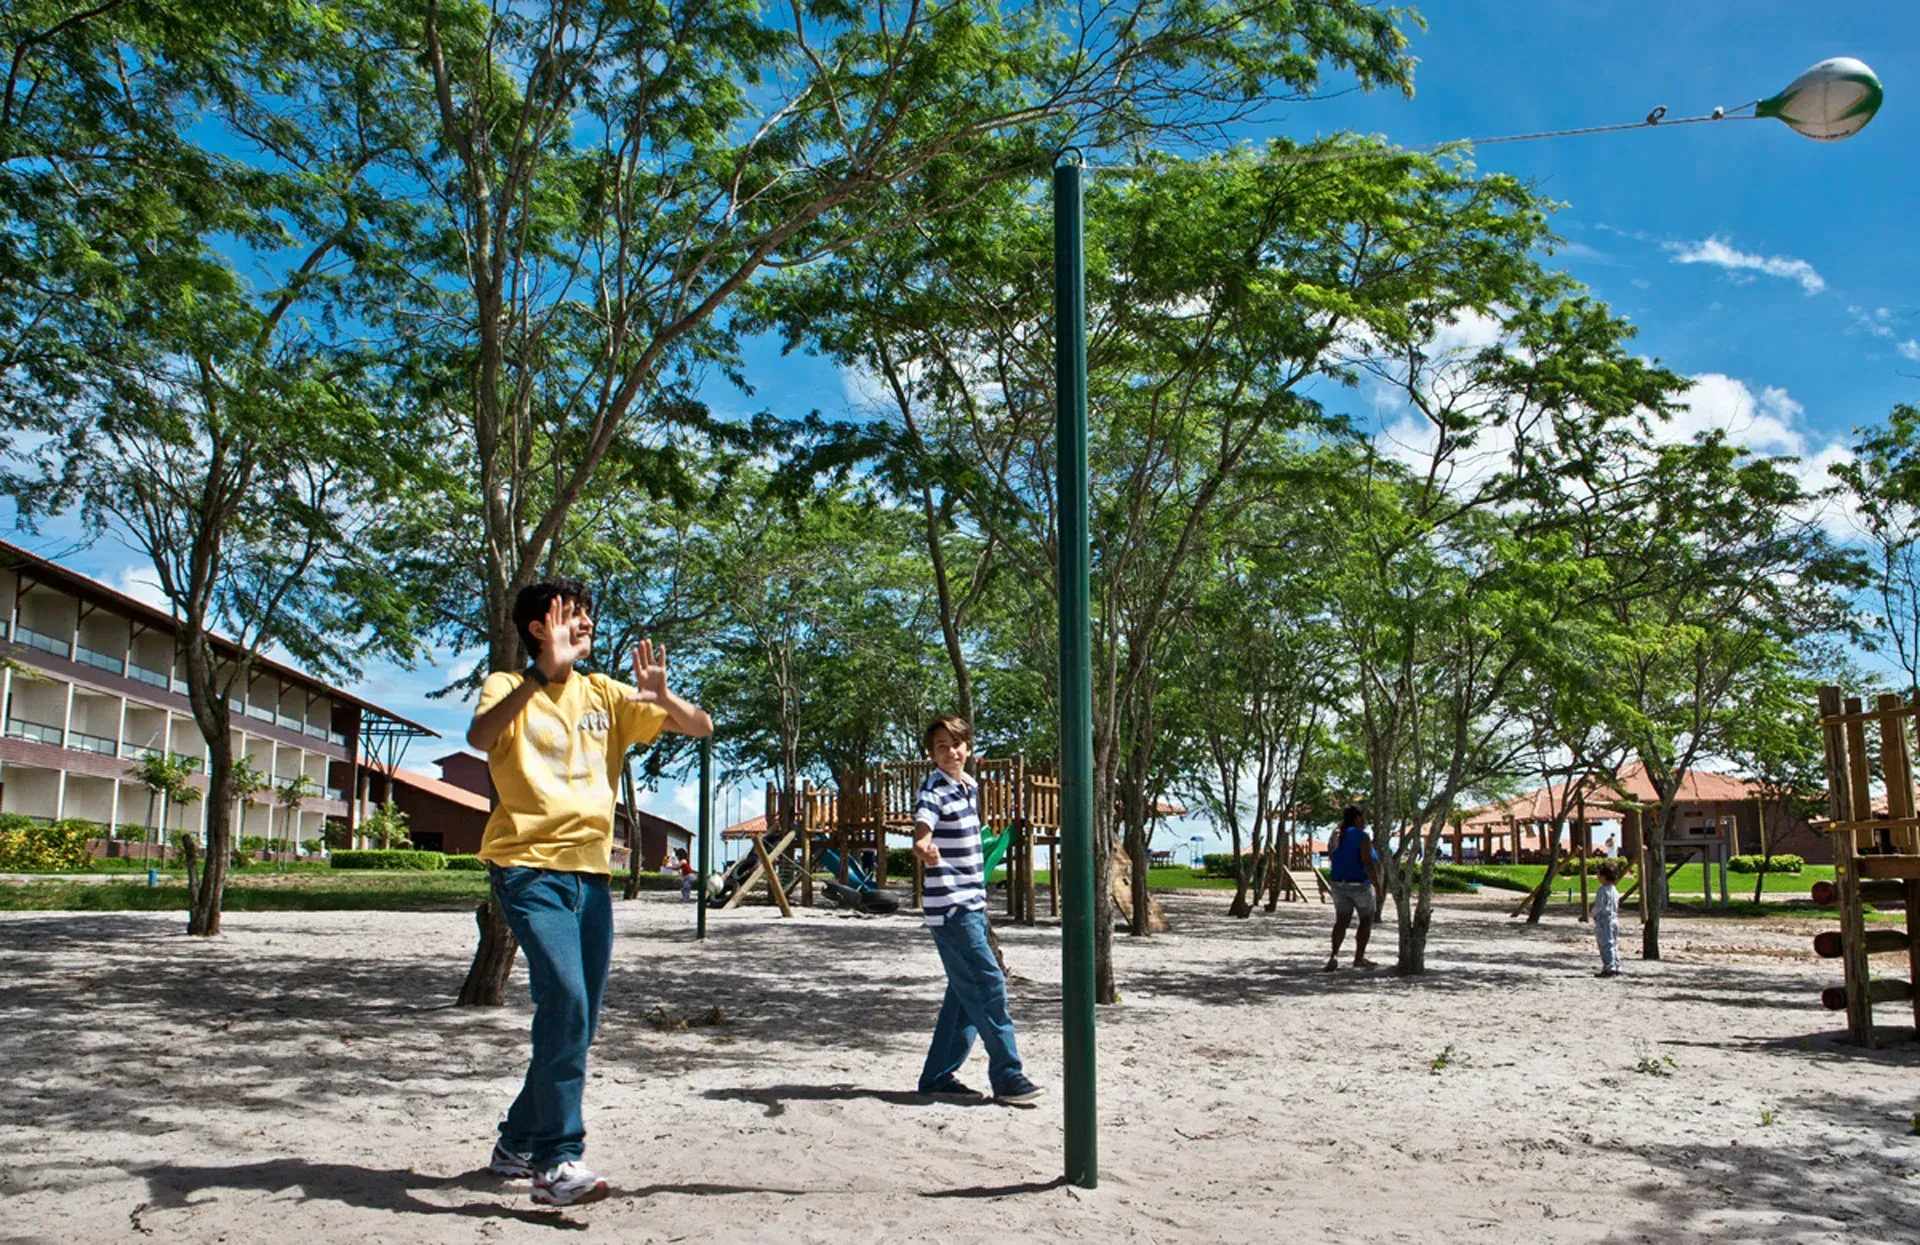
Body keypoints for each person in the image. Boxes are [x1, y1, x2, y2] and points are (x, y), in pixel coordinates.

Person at [467, 580, 712, 1207]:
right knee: (568, 1004)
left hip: (591, 875)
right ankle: (556, 1160)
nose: (586, 625)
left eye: (588, 617)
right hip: (525, 866)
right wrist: (540, 673)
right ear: (536, 627)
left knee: (577, 1016)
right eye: (572, 617)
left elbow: (701, 727)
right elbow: (481, 736)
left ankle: (517, 1140)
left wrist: (662, 695)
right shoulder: (505, 685)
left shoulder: (604, 691)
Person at [912, 714, 1044, 1104]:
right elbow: (921, 833)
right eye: (941, 747)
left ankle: (937, 1077)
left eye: (956, 744)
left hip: (969, 902)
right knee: (988, 983)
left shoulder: (967, 786)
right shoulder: (934, 790)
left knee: (963, 995)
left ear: (967, 747)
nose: (950, 752)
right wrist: (924, 849)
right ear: (931, 754)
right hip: (952, 908)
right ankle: (1007, 1076)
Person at [1324, 805, 1383, 972]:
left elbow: (1333, 857)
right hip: (1360, 884)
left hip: (1338, 882)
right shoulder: (1361, 836)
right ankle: (1358, 958)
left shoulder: (1336, 835)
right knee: (1366, 920)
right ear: (1357, 818)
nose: (1365, 821)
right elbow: (1368, 863)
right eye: (1363, 817)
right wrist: (1377, 886)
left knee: (1341, 921)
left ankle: (1334, 955)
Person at [1593, 862, 1622, 978]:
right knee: (1613, 943)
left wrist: (1593, 913)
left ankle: (1609, 967)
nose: (1597, 876)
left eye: (1599, 874)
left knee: (1605, 944)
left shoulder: (1602, 890)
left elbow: (1599, 906)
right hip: (1614, 918)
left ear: (1604, 876)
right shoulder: (1614, 890)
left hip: (1604, 920)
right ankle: (1617, 965)